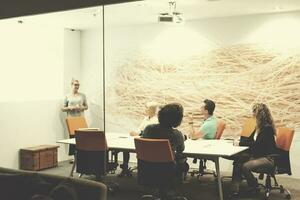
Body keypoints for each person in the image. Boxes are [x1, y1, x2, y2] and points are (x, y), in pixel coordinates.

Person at [229, 103, 278, 199]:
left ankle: (254, 186)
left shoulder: (267, 129)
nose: (252, 114)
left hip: (267, 158)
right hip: (258, 154)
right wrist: (240, 141)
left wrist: (241, 144)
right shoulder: (258, 127)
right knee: (238, 161)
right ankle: (234, 188)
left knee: (245, 166)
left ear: (259, 114)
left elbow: (258, 146)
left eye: (254, 112)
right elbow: (251, 141)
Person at [142, 103, 189, 181]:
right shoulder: (177, 134)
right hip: (168, 169)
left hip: (147, 167)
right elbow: (181, 150)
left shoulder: (148, 129)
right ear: (178, 119)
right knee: (184, 165)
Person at [119, 102, 159, 177]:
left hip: (148, 143)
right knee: (125, 148)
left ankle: (141, 168)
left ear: (152, 110)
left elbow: (150, 133)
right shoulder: (145, 119)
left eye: (147, 108)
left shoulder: (156, 120)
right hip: (141, 140)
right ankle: (125, 167)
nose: (145, 110)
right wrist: (135, 132)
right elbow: (139, 129)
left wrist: (138, 133)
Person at [62, 79, 88, 157]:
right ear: (71, 85)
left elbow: (86, 106)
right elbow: (63, 108)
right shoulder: (67, 96)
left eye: (78, 85)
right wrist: (70, 108)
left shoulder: (82, 95)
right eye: (75, 85)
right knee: (73, 137)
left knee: (82, 137)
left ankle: (82, 155)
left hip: (80, 118)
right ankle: (74, 156)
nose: (77, 86)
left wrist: (81, 107)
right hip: (71, 119)